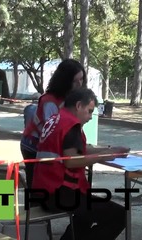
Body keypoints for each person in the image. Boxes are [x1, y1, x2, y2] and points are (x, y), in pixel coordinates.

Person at [32, 88, 129, 240]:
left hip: (45, 189)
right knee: (120, 215)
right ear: (78, 106)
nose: (90, 117)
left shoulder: (56, 119)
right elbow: (72, 161)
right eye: (89, 111)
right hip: (61, 191)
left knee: (86, 214)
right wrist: (101, 156)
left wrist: (109, 150)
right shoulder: (71, 125)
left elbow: (76, 150)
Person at [21, 59, 86, 188]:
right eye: (75, 81)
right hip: (33, 146)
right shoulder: (50, 101)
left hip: (49, 147)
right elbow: (55, 131)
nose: (79, 84)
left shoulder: (69, 99)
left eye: (81, 79)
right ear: (65, 81)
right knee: (37, 185)